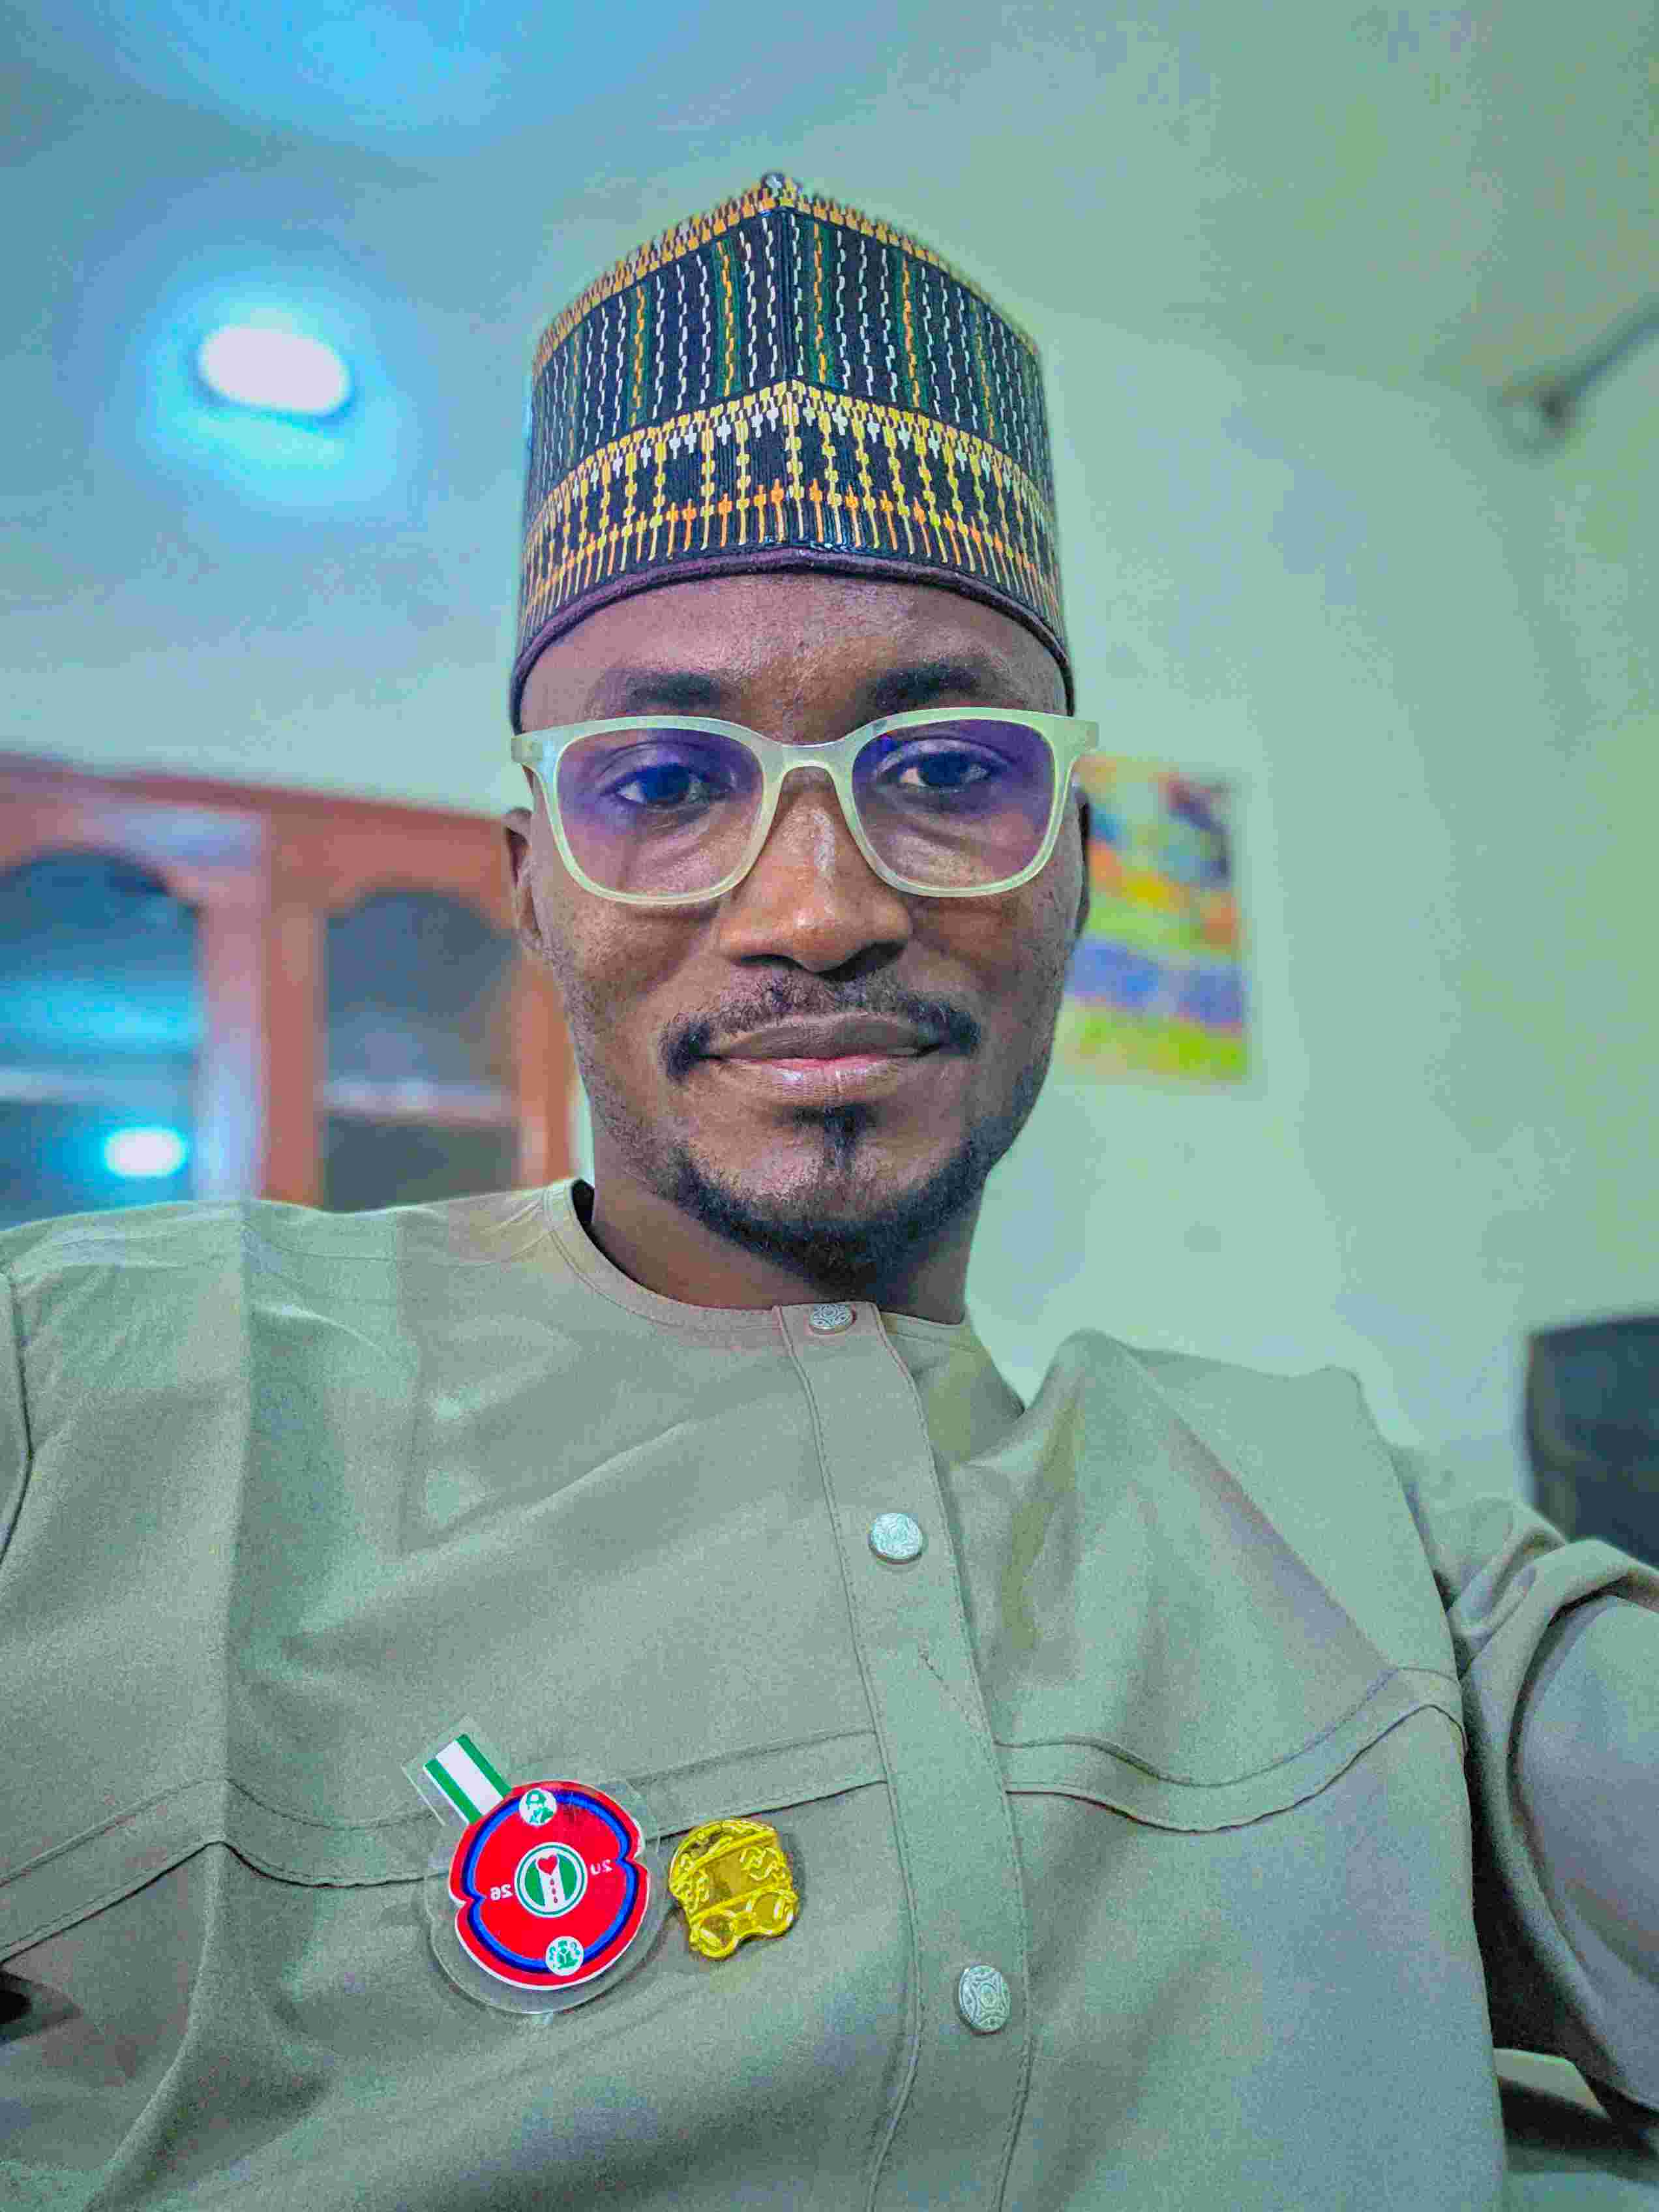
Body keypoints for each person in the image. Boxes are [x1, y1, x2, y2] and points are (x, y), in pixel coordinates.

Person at [1, 173, 1654, 2210]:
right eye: (664, 784)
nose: (818, 908)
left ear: (1076, 866)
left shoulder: (1345, 1528)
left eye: (947, 771)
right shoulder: (96, 1397)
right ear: (533, 882)